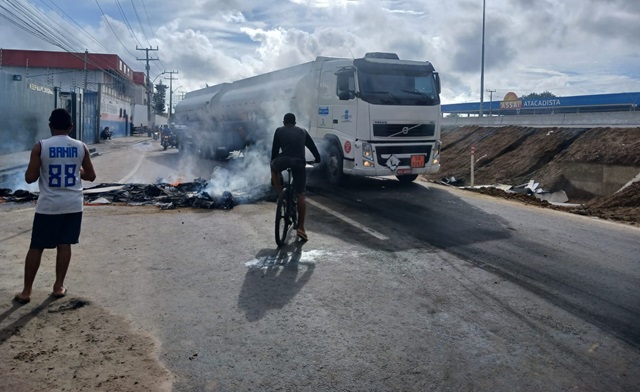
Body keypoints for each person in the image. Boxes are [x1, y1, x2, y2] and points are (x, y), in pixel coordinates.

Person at [13, 108, 97, 304]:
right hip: (73, 205)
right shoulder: (80, 146)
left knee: (36, 247)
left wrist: (42, 167)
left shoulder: (40, 147)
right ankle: (58, 286)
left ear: (50, 126)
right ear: (71, 126)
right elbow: (91, 176)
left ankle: (26, 292)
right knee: (64, 244)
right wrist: (77, 171)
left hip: (48, 206)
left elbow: (30, 178)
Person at [270, 113, 321, 242]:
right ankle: (301, 228)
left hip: (284, 160)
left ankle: (280, 195)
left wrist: (274, 164)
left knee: (273, 167)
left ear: (283, 122)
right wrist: (317, 158)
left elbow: (275, 151)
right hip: (299, 162)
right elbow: (312, 146)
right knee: (300, 195)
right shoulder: (303, 131)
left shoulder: (279, 131)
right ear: (295, 123)